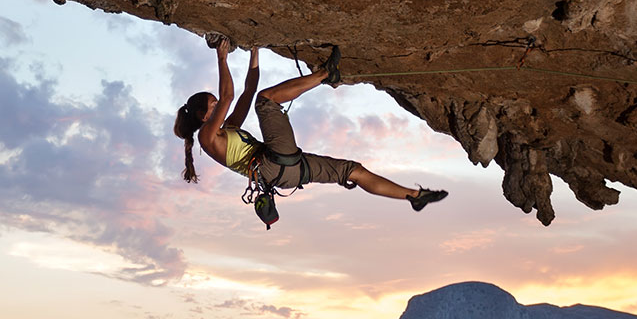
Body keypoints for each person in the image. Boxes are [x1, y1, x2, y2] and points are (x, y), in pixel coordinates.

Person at [172, 40, 448, 215]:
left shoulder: (227, 130)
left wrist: (254, 50)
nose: (219, 104)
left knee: (354, 170)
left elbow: (247, 91)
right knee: (266, 102)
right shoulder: (208, 140)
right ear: (201, 116)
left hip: (286, 173)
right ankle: (327, 73)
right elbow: (231, 95)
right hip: (272, 164)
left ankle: (414, 196)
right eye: (213, 104)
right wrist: (221, 58)